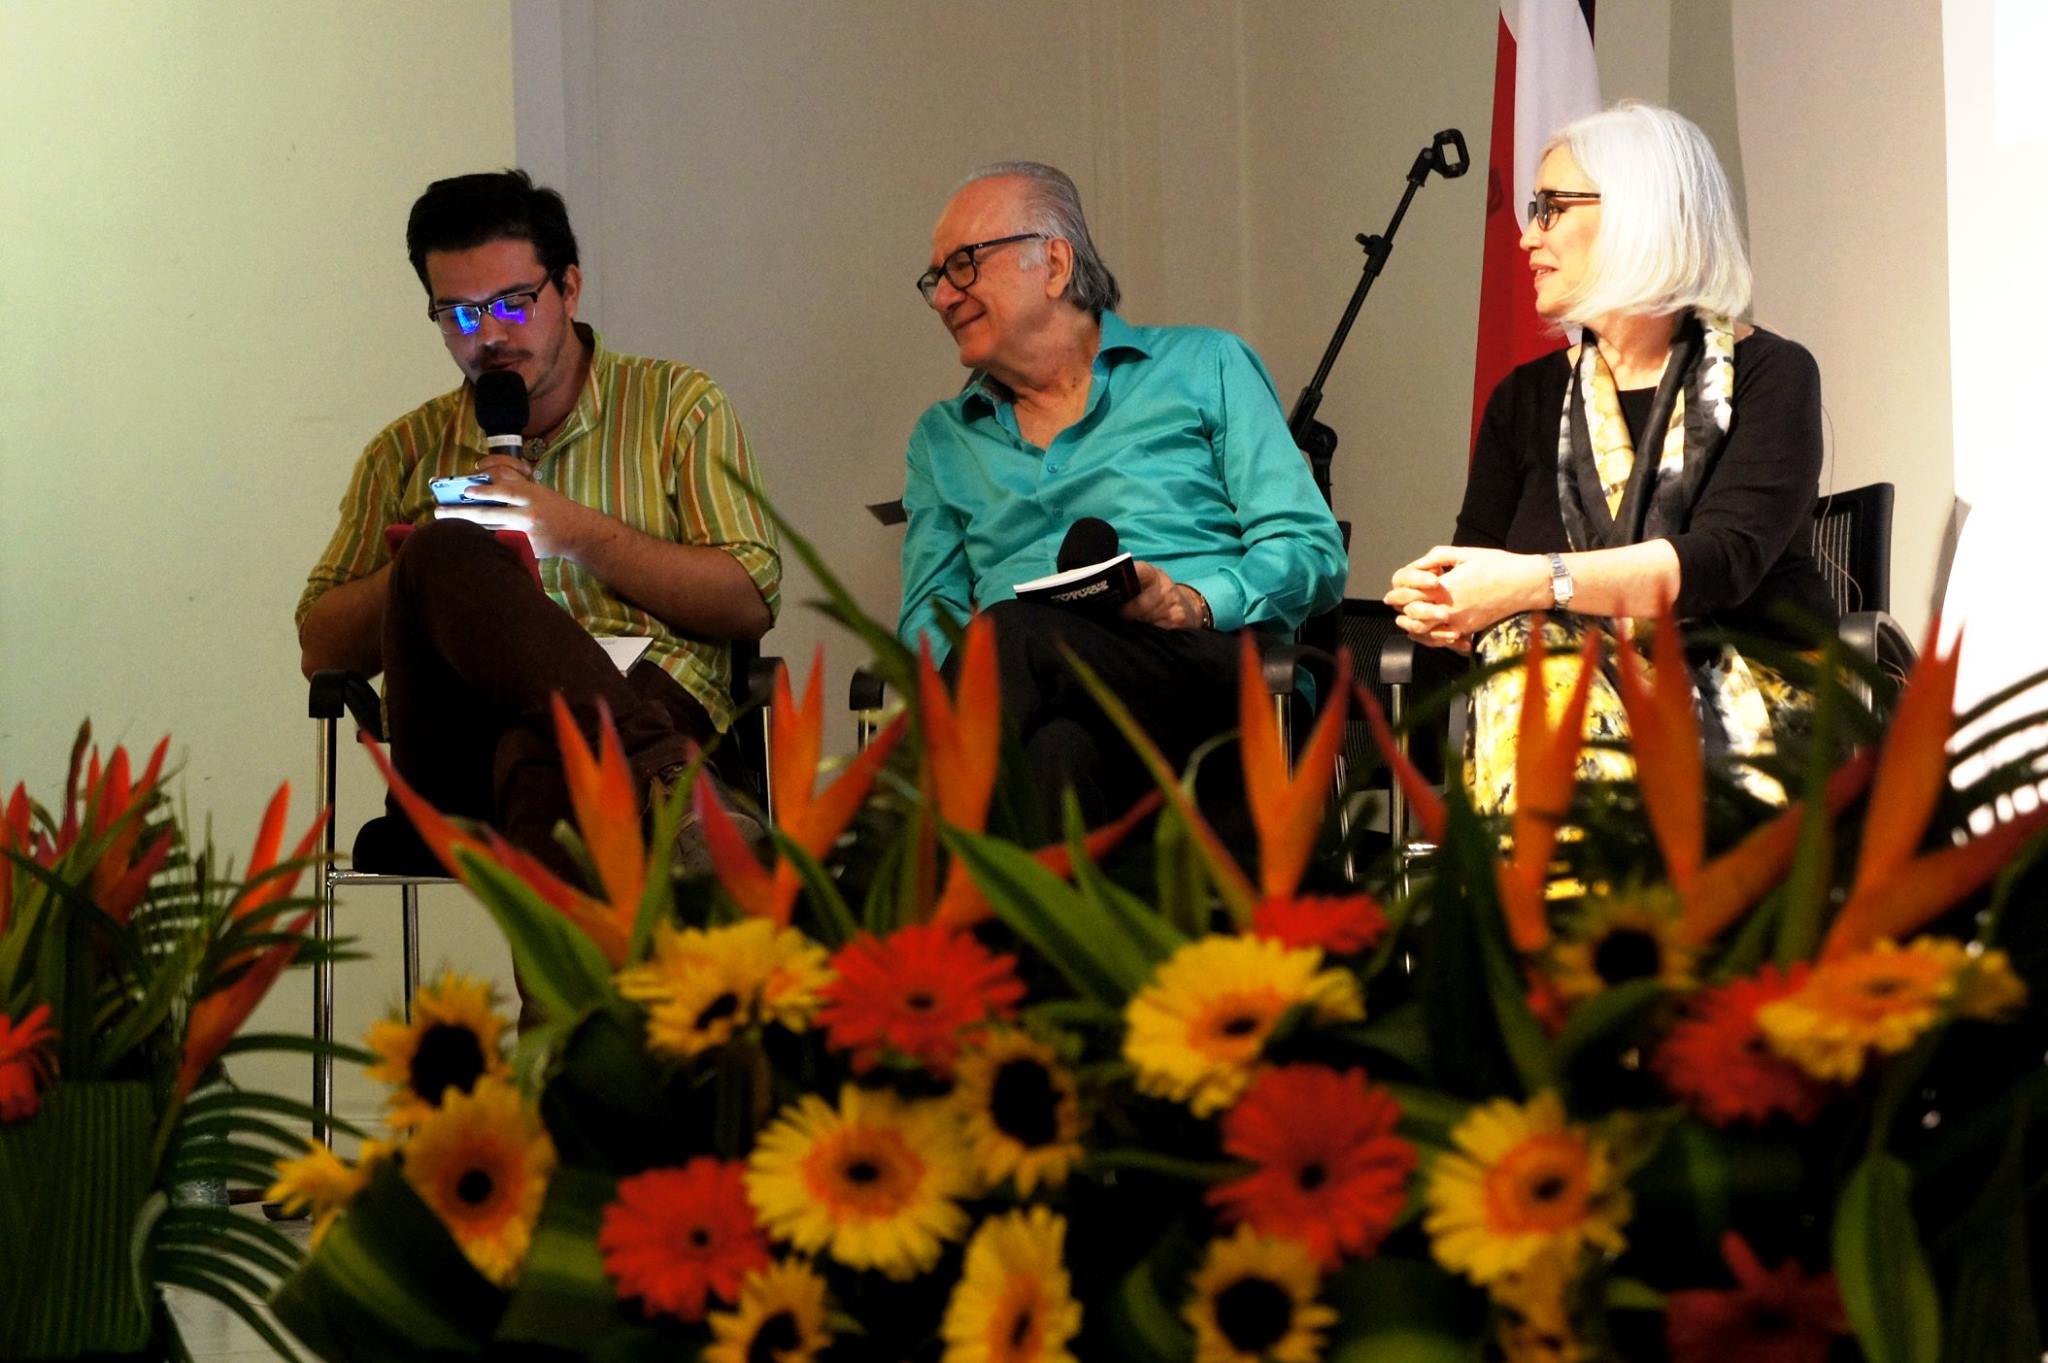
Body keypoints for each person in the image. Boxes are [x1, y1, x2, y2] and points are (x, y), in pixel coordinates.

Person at [297, 170, 779, 874]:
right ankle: (663, 779)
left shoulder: (678, 405)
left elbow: (748, 600)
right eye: (457, 314)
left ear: (569, 288)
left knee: (542, 754)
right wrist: (430, 565)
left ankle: (576, 984)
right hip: (461, 754)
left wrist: (573, 531)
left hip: (647, 705)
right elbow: (322, 650)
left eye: (514, 303)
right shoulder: (403, 451)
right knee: (442, 547)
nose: (488, 335)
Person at [1384, 102, 1836, 811]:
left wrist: (1535, 583)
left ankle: (1571, 897)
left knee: (1529, 636)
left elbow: (1721, 561)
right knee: (1523, 646)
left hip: (1752, 706)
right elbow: (1483, 568)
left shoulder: (1771, 374)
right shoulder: (1523, 399)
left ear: (1640, 213)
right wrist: (1443, 603)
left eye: (1551, 209)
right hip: (1550, 711)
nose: (1529, 238)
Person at [898, 161, 1347, 838]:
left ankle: (893, 886)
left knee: (1012, 631)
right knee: (1055, 750)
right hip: (1042, 707)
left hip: (1204, 676)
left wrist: (1192, 601)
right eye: (936, 279)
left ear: (1052, 263)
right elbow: (926, 623)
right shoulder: (942, 438)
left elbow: (1309, 550)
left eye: (964, 266)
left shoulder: (1206, 366)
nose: (943, 298)